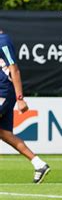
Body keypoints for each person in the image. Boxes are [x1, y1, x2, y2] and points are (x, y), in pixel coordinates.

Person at [0, 30, 51, 184]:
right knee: (4, 133)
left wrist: (20, 98)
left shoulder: (2, 41)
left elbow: (14, 69)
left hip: (3, 92)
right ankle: (39, 164)